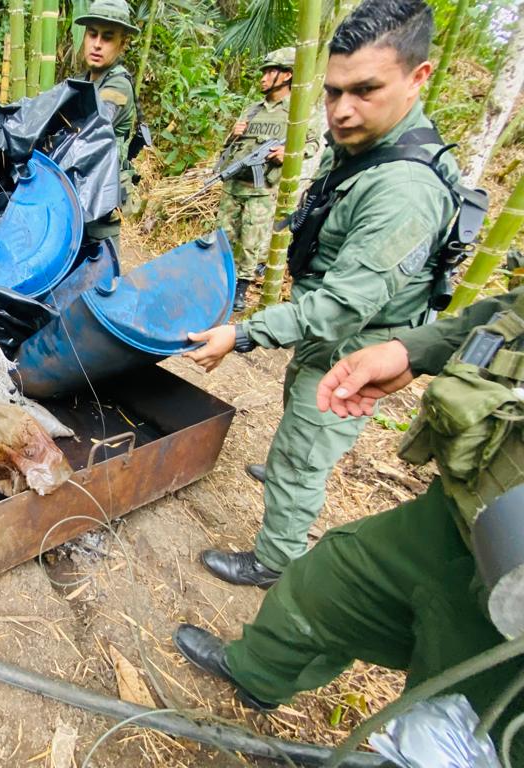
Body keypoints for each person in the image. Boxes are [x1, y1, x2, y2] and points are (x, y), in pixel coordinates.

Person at [173, 285, 524, 764]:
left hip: (514, 625)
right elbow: (508, 312)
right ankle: (256, 676)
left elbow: (351, 294)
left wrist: (245, 333)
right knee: (329, 581)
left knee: (453, 728)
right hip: (471, 512)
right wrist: (408, 352)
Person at [184, 0, 463, 588]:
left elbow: (341, 305)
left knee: (303, 454)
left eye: (364, 90)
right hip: (330, 338)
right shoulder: (370, 150)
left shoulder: (405, 191)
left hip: (355, 349)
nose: (341, 110)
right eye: (333, 92)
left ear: (419, 77)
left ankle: (273, 561)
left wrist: (244, 333)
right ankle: (291, 468)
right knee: (298, 430)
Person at [215, 47, 314, 312]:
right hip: (235, 184)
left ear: (287, 76)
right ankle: (215, 282)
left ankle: (240, 289)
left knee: (251, 241)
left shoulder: (295, 113)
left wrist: (288, 152)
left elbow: (313, 143)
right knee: (222, 236)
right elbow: (228, 148)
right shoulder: (252, 110)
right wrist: (233, 133)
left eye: (270, 72)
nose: (263, 78)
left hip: (261, 189)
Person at [72, 0, 139, 251]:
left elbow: (89, 127)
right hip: (76, 203)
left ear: (122, 44)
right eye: (93, 34)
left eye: (108, 37)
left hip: (98, 215)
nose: (97, 44)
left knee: (98, 286)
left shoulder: (118, 86)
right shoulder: (82, 82)